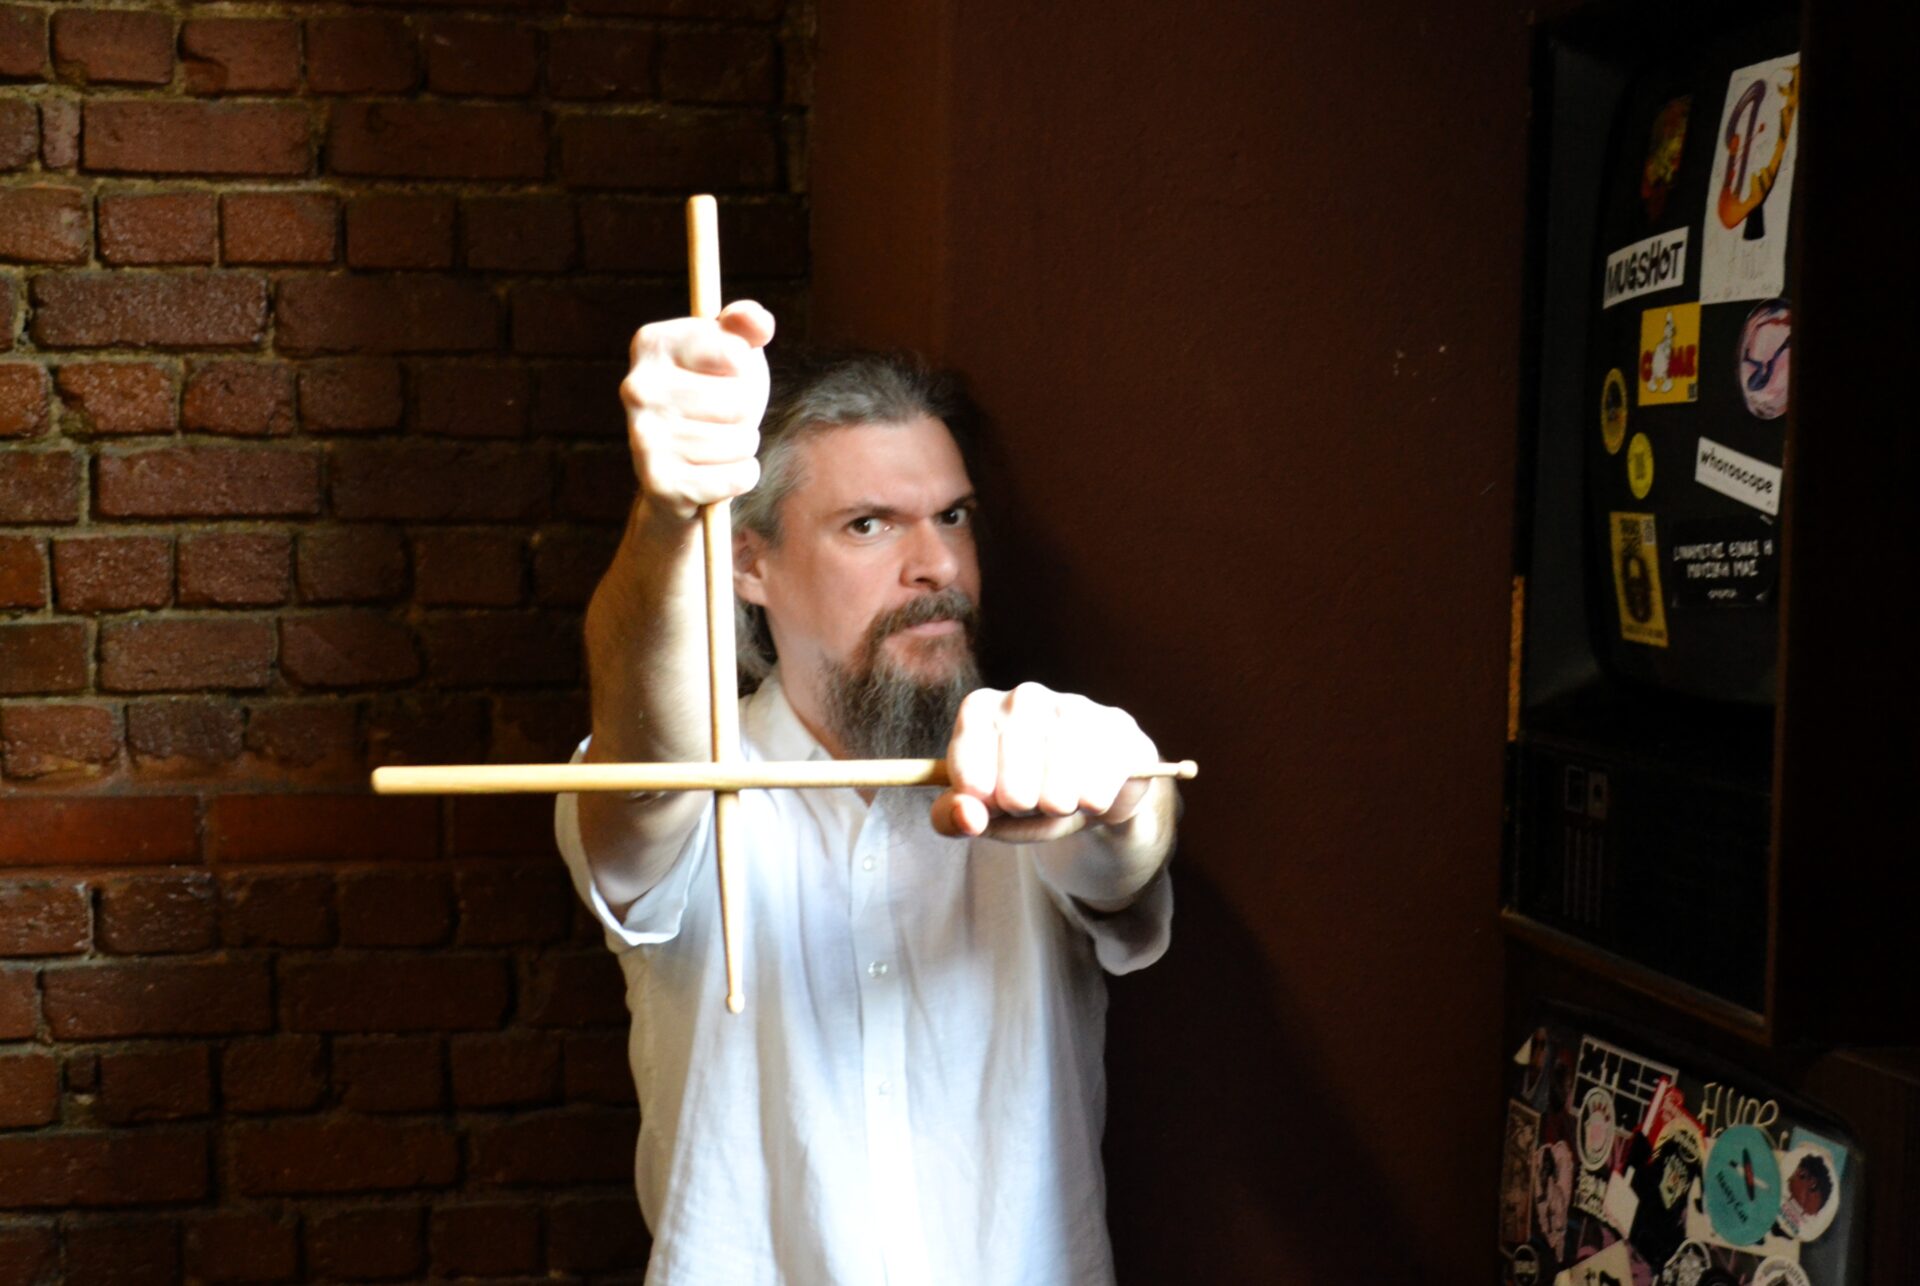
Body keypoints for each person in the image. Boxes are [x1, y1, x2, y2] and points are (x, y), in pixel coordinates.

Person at [553, 298, 1180, 1286]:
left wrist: (1120, 795)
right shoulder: (683, 786)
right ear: (748, 562)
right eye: (869, 524)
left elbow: (1125, 854)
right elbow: (644, 774)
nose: (937, 565)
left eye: (953, 517)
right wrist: (671, 516)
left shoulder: (1033, 752)